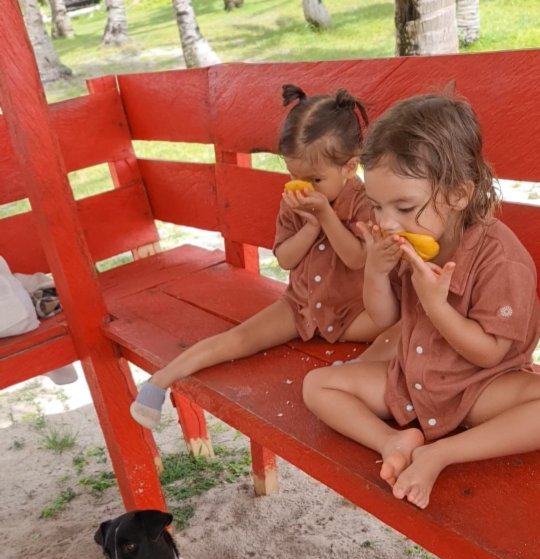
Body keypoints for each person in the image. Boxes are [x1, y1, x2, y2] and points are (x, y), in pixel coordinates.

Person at [303, 92, 540, 510]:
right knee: (317, 385)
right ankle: (392, 441)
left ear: (458, 195)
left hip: (480, 388)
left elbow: (490, 353)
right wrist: (375, 272)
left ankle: (444, 452)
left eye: (405, 206)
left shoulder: (500, 259)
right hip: (411, 382)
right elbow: (384, 318)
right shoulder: (407, 240)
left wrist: (436, 306)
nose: (388, 222)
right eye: (377, 206)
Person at [130, 85, 385, 429]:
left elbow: (356, 260)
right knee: (241, 338)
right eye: (295, 176)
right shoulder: (294, 203)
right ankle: (160, 381)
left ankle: (352, 375)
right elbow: (286, 259)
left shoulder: (365, 202)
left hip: (351, 313)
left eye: (315, 179)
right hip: (302, 306)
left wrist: (326, 216)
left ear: (350, 167)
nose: (304, 187)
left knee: (396, 325)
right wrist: (310, 227)